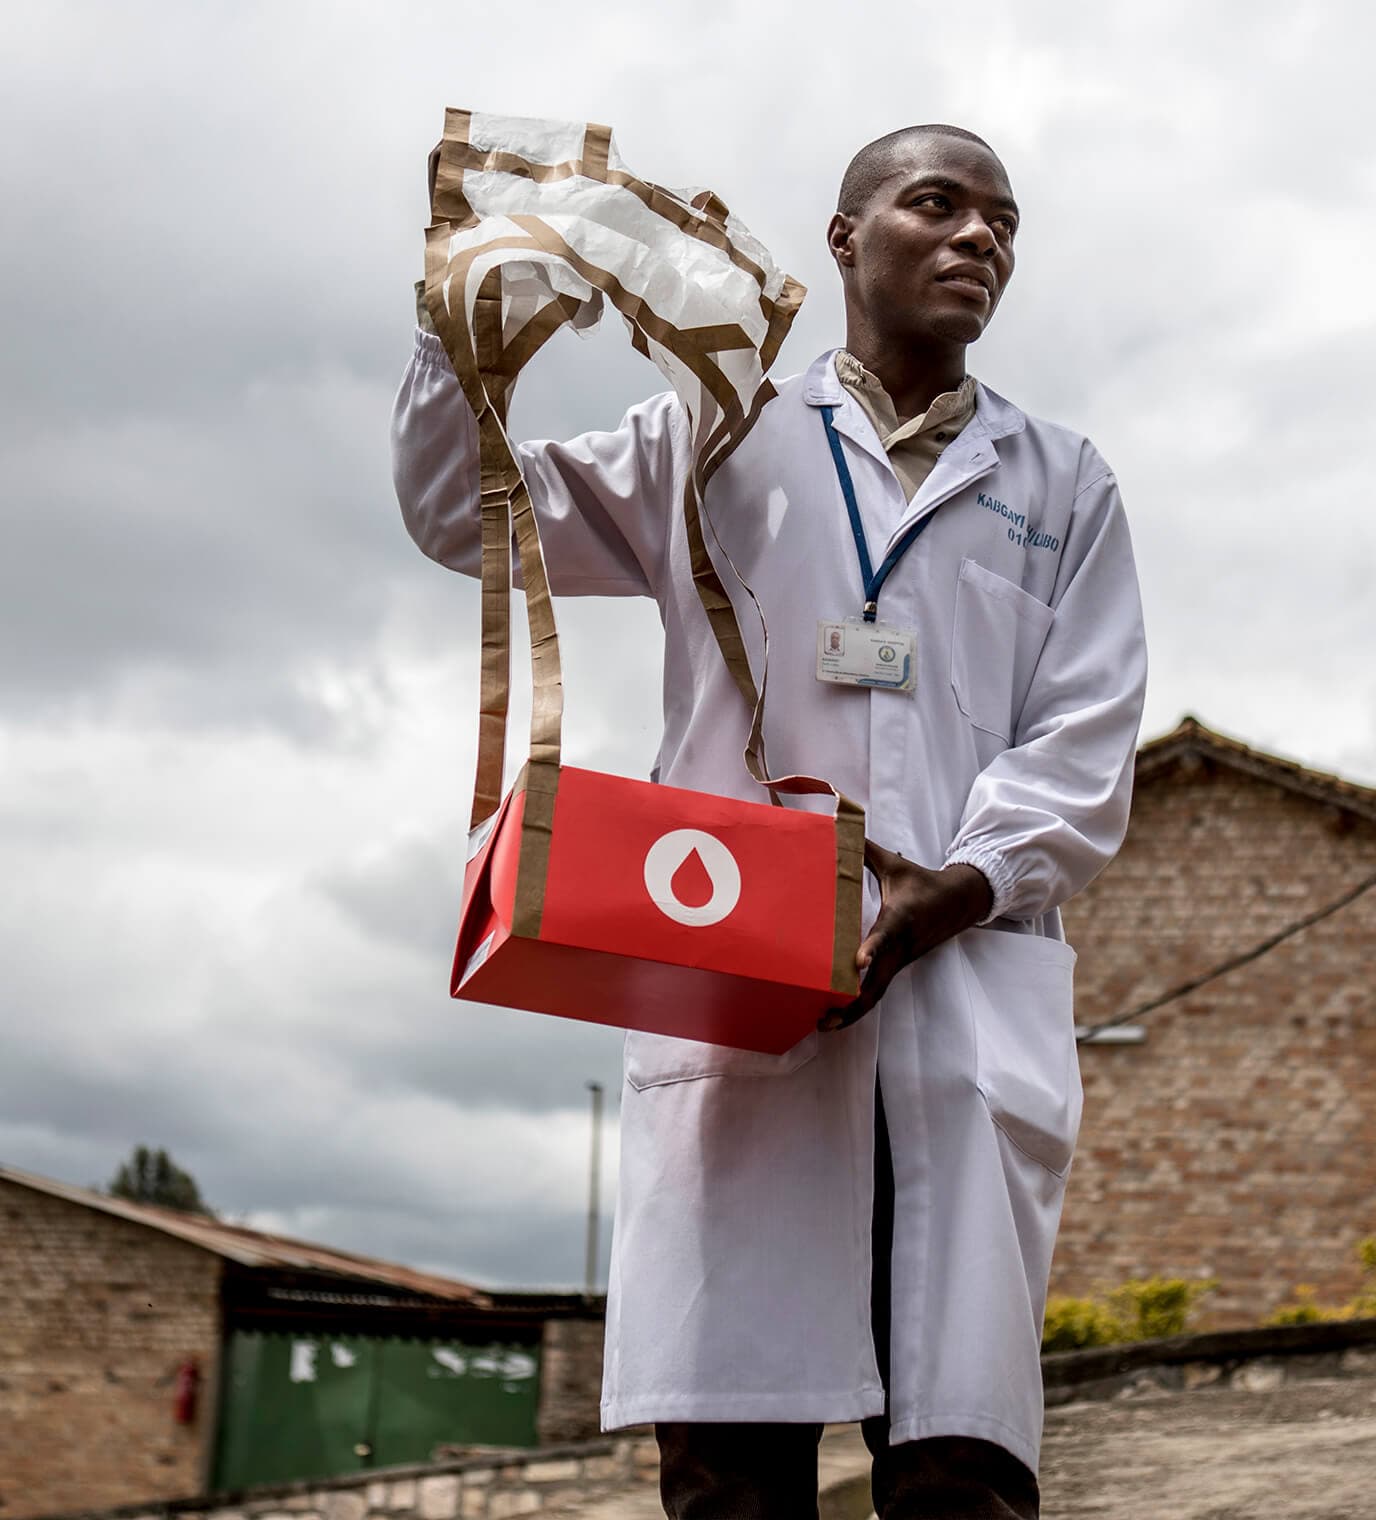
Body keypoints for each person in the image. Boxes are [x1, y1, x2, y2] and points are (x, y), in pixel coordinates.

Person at [392, 123, 1147, 1520]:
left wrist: (959, 884)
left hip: (962, 1010)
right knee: (728, 1478)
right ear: (845, 238)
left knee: (962, 1478)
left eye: (1003, 221)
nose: (980, 238)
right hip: (740, 1001)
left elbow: (1086, 740)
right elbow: (462, 512)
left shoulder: (1063, 484)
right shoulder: (711, 432)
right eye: (939, 204)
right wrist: (460, 328)